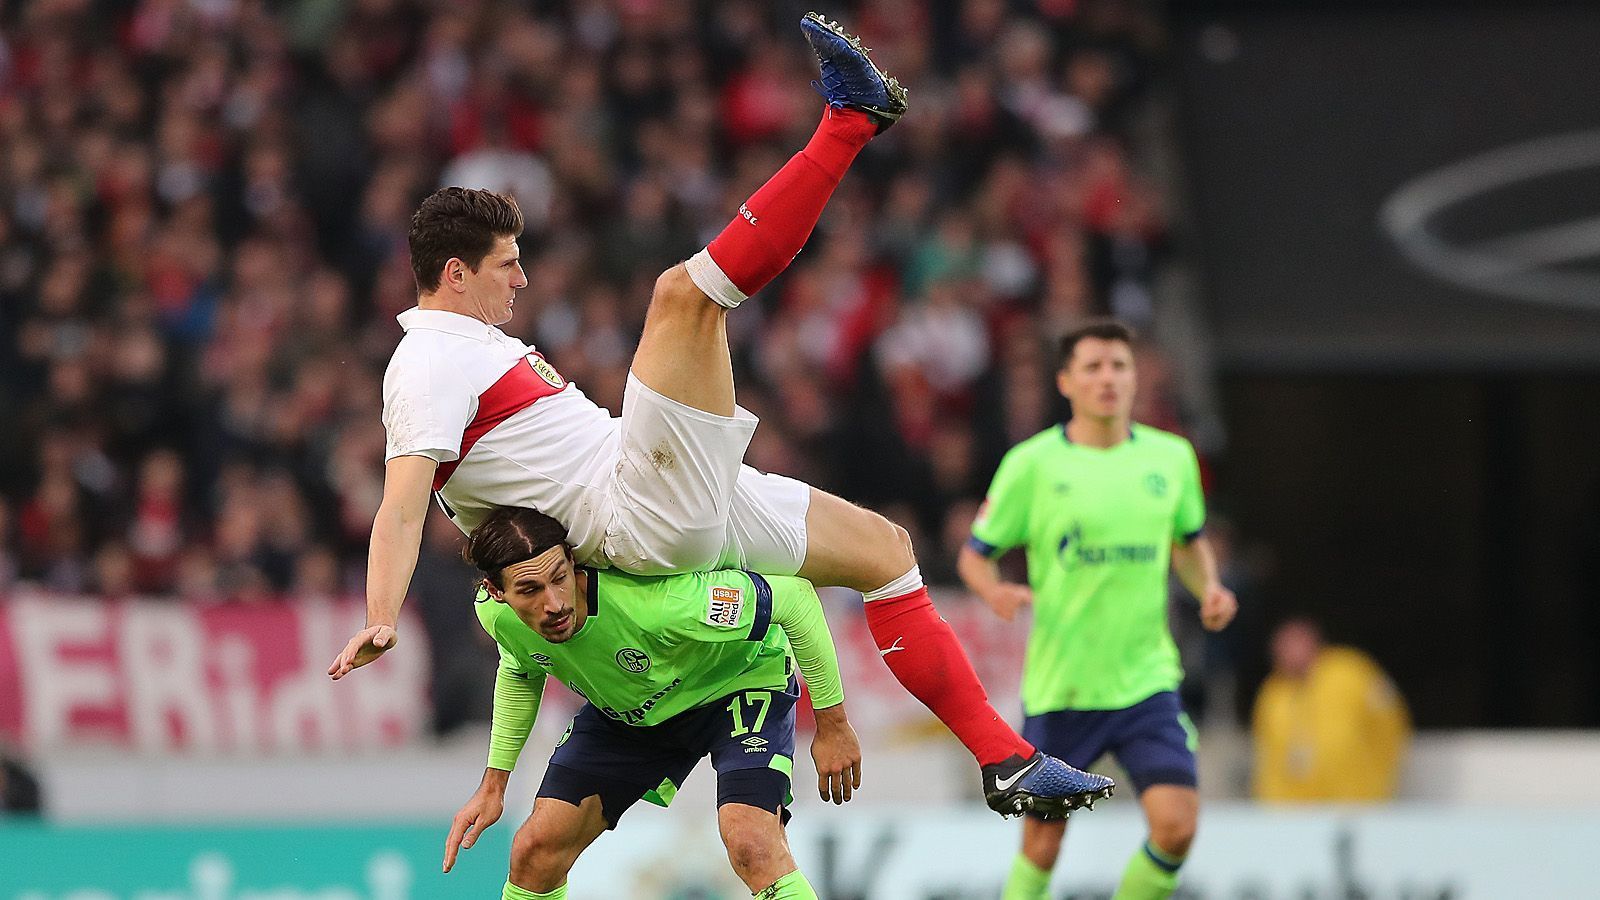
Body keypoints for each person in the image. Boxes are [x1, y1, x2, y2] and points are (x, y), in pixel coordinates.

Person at [328, 12, 1112, 817]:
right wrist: (381, 616)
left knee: (886, 553)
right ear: (455, 275)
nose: (522, 281)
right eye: (507, 265)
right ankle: (848, 122)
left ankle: (1007, 761)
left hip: (661, 498)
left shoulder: (471, 349)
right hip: (637, 511)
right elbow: (400, 506)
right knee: (683, 295)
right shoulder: (427, 363)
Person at [440, 506, 858, 900]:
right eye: (530, 590)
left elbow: (795, 600)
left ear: (572, 561)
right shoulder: (498, 618)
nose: (554, 603)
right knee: (535, 850)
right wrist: (494, 784)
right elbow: (520, 668)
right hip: (632, 711)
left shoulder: (657, 605)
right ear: (495, 591)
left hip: (738, 682)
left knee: (751, 842)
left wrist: (833, 724)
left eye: (559, 577)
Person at [957, 319, 1238, 900]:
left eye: (1119, 366)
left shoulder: (1171, 459)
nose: (1108, 378)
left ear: (1136, 378)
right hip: (1065, 687)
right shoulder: (1032, 465)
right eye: (1093, 367)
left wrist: (1207, 585)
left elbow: (1187, 543)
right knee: (1041, 846)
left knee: (1177, 826)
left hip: (1145, 681)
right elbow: (974, 556)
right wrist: (993, 592)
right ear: (1066, 381)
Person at [1252, 617, 1411, 803]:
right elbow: (1267, 756)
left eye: (1296, 642)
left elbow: (1391, 722)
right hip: (1295, 814)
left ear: (1313, 641)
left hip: (1359, 804)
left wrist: (1379, 779)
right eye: (1283, 647)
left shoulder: (1350, 671)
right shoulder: (1272, 692)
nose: (1289, 652)